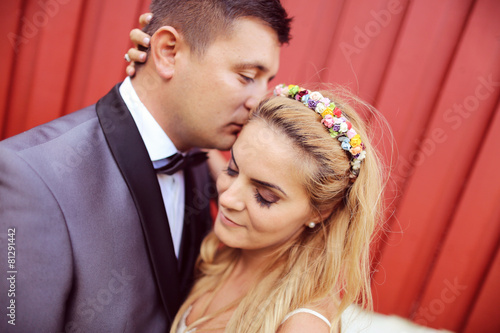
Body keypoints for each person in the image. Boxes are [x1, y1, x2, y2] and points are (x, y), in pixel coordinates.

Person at [0, 0, 291, 331]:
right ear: (168, 51)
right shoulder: (30, 177)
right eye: (246, 76)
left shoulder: (207, 160)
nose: (259, 101)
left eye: (266, 81)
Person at [168, 84, 386, 332]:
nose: (228, 199)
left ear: (320, 211)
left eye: (264, 196)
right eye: (232, 169)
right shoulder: (219, 260)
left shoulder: (300, 324)